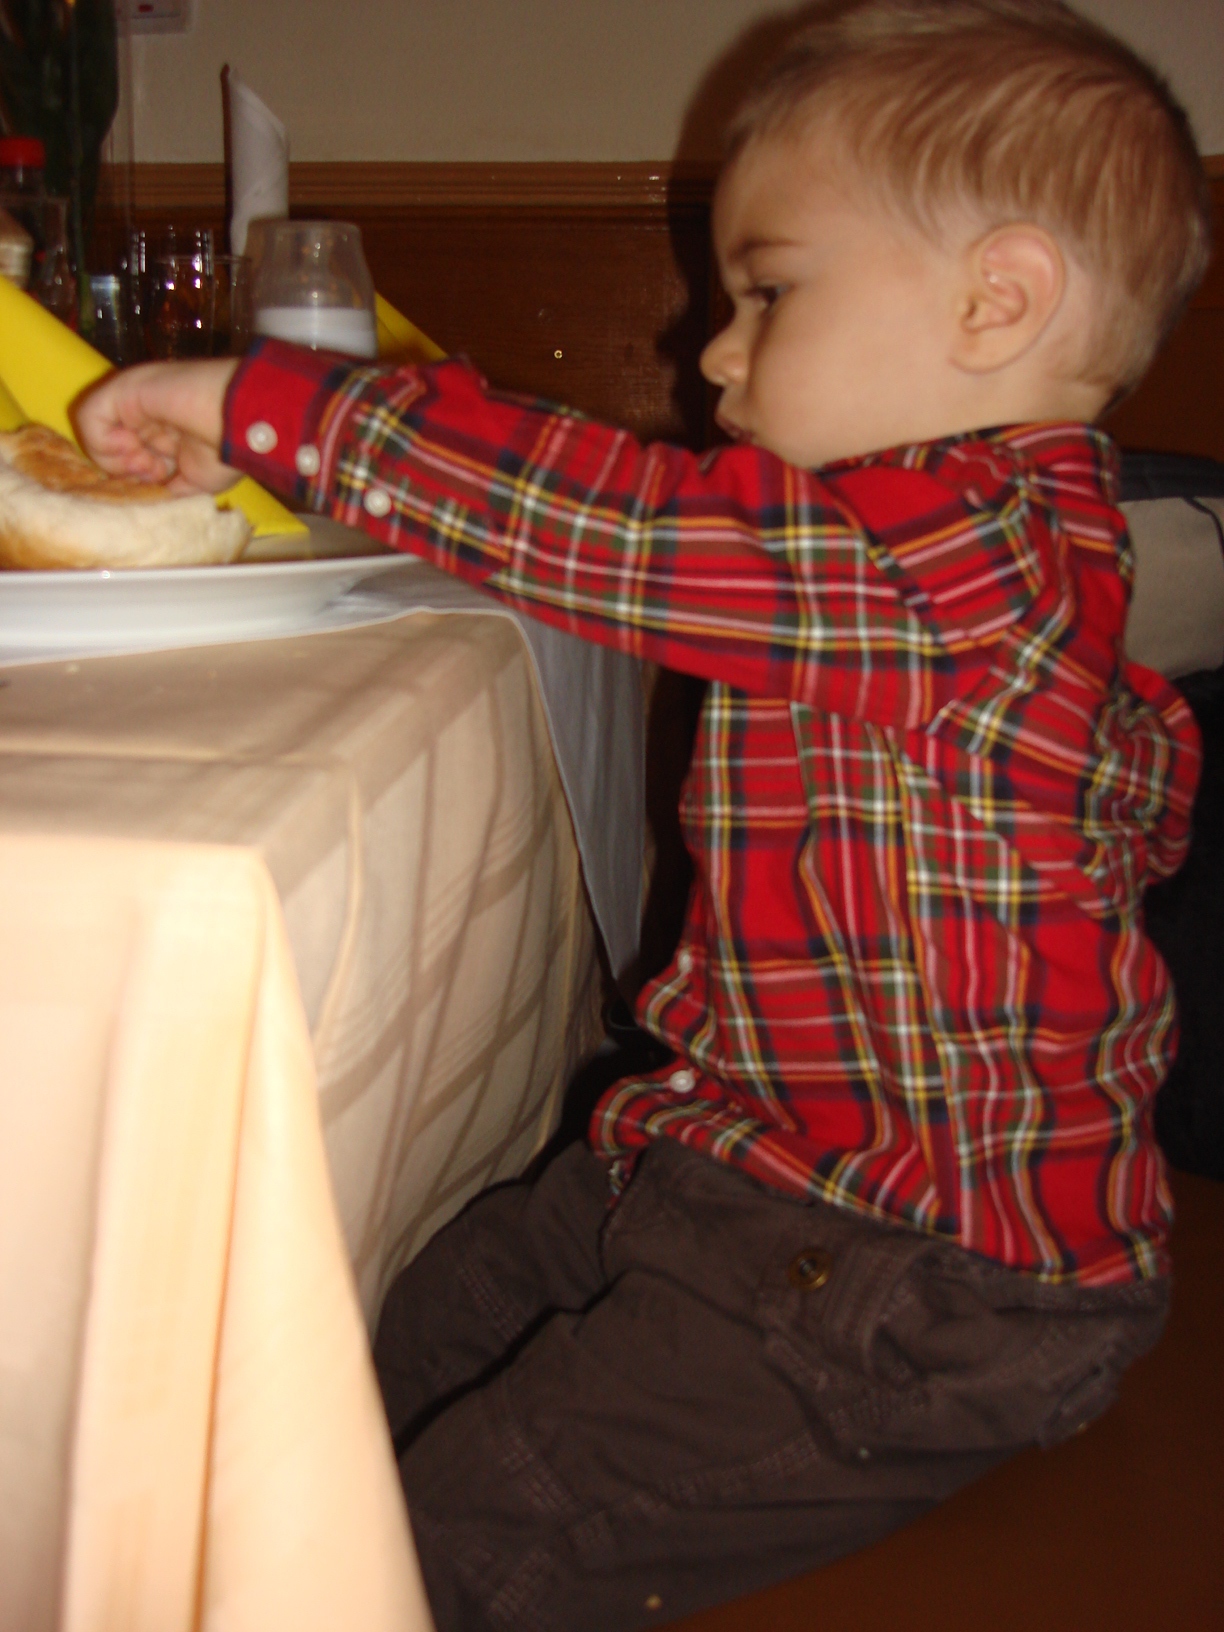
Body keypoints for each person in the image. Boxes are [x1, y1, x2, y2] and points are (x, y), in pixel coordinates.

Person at [77, 3, 1212, 1626]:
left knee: (439, 1538)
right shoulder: (967, 567)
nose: (718, 354)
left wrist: (284, 411)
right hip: (731, 1178)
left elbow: (624, 528)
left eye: (771, 292)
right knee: (358, 1357)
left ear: (999, 301)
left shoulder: (950, 561)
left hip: (928, 1289)